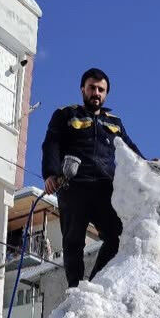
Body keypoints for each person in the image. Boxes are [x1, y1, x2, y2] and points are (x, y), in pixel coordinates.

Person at [42, 68, 143, 288]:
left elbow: (130, 150)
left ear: (106, 94)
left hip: (106, 188)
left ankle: (94, 285)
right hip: (73, 185)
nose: (96, 93)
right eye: (92, 88)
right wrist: (51, 173)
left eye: (101, 89)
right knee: (73, 242)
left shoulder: (114, 122)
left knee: (118, 237)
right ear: (82, 89)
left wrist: (150, 166)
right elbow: (52, 143)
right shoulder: (67, 114)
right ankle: (75, 289)